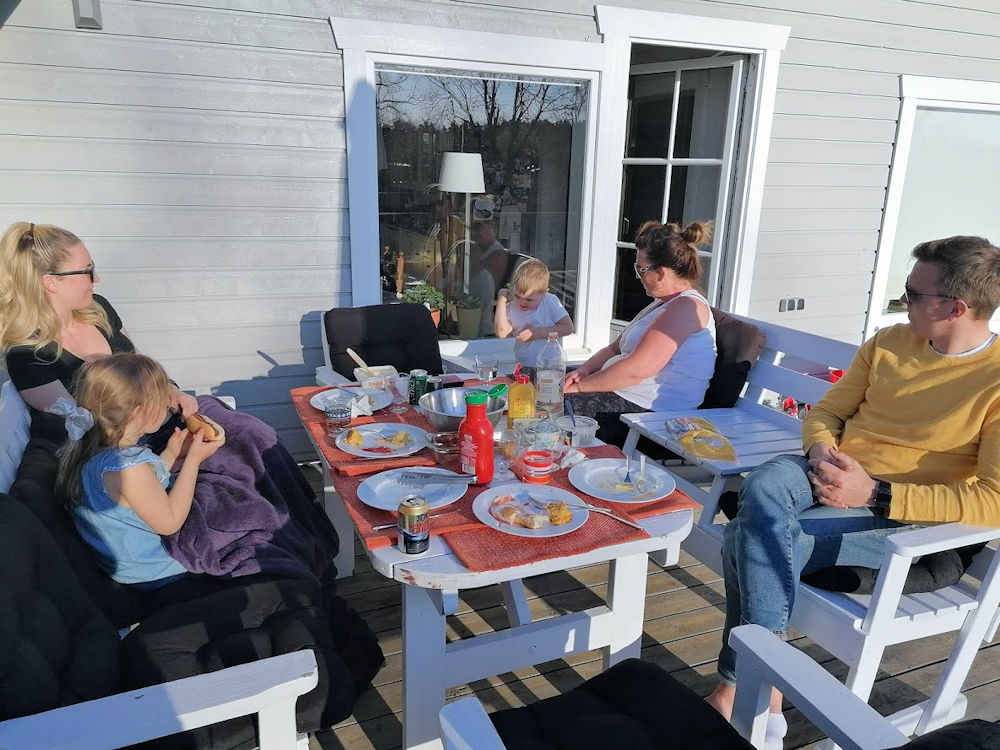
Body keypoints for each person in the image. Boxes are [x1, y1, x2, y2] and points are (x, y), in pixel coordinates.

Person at [705, 235, 1000, 749]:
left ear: (956, 308)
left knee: (741, 538)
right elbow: (826, 412)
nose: (902, 301)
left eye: (913, 293)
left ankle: (746, 687)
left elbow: (993, 501)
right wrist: (821, 449)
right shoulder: (890, 343)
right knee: (766, 483)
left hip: (902, 518)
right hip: (832, 473)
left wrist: (875, 494)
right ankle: (762, 686)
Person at [0, 221, 198, 421]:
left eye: (92, 268)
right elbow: (79, 426)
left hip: (163, 420)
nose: (96, 279)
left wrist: (171, 390)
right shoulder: (27, 355)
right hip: (137, 437)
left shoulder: (98, 309)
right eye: (87, 271)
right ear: (50, 282)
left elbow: (141, 367)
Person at [56, 353, 223, 588]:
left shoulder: (94, 449)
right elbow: (170, 522)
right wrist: (193, 461)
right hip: (158, 572)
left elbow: (140, 494)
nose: (168, 405)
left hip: (129, 567)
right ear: (138, 412)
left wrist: (171, 454)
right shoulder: (128, 467)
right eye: (162, 399)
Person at [563, 220, 717, 444]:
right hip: (624, 396)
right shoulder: (662, 304)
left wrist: (580, 388)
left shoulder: (685, 308)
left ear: (661, 273)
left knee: (548, 405)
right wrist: (584, 371)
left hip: (651, 415)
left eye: (641, 270)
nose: (638, 277)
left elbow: (636, 370)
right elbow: (615, 348)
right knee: (535, 380)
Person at [494, 258, 574, 369]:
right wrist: (502, 299)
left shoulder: (549, 302)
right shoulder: (512, 307)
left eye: (529, 299)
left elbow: (568, 328)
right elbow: (502, 332)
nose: (522, 302)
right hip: (525, 366)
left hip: (551, 366)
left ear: (544, 293)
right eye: (517, 296)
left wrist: (537, 333)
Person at [468, 220, 518, 337]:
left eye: (480, 228)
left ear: (491, 230)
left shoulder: (497, 253)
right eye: (474, 229)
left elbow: (490, 283)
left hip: (488, 298)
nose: (476, 233)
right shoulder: (477, 248)